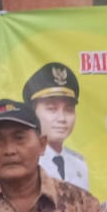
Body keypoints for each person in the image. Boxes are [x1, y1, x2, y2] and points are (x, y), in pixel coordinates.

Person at [23, 62, 90, 190]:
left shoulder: (79, 164)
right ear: (33, 112)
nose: (62, 118)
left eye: (68, 110)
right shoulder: (25, 162)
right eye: (52, 109)